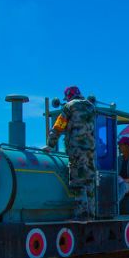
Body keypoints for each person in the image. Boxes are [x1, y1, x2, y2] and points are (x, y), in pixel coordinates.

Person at [46, 85, 96, 219]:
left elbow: (59, 126)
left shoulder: (69, 106)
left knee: (78, 182)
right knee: (89, 181)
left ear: (68, 96)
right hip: (90, 150)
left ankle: (82, 214)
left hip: (76, 150)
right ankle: (91, 214)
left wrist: (50, 144)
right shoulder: (91, 107)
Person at [117, 137, 129, 207]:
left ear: (127, 146)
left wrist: (123, 180)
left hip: (128, 184)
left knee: (123, 185)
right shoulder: (119, 159)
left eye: (120, 145)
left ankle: (114, 204)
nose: (119, 147)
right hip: (118, 181)